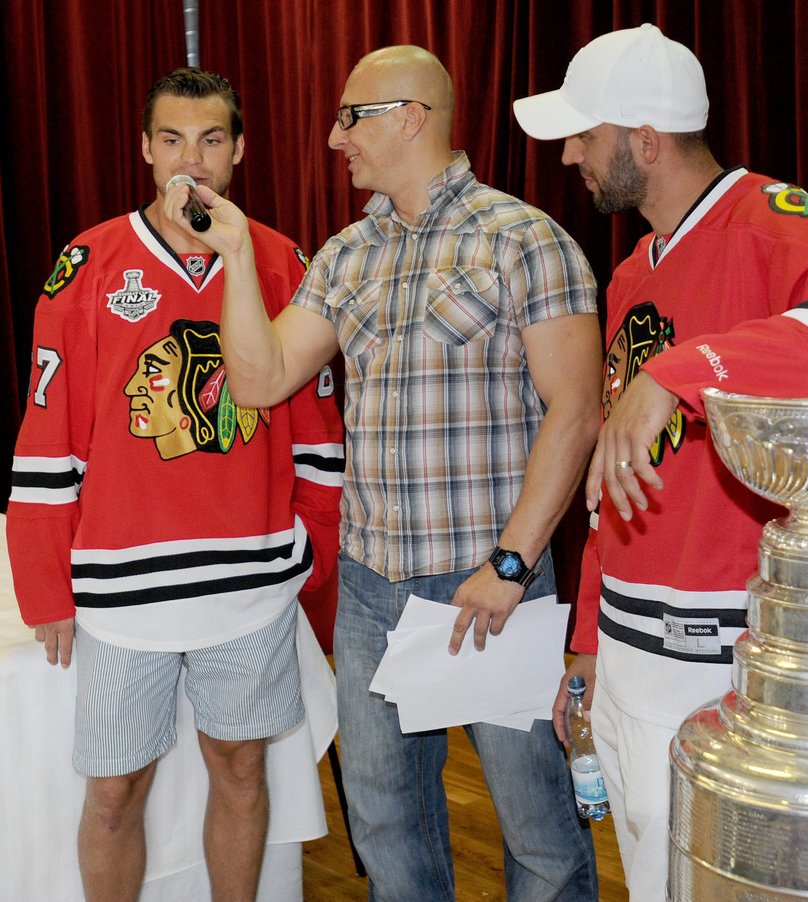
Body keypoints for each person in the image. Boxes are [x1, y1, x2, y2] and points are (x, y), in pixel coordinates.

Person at [164, 46, 602, 901]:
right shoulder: (345, 255)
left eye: (349, 118)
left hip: (490, 584)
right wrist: (240, 256)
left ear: (410, 116)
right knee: (384, 816)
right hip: (373, 591)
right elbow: (256, 381)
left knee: (538, 829)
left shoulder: (524, 240)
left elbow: (577, 410)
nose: (334, 139)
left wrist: (511, 563)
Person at [513, 23, 808, 899]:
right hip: (621, 646)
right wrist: (584, 646)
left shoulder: (767, 222)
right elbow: (617, 480)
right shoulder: (629, 273)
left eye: (585, 134)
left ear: (645, 141)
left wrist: (682, 369)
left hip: (713, 656)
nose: (570, 153)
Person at [5, 68, 344, 902]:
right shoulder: (88, 261)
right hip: (124, 588)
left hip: (250, 584)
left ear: (240, 149)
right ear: (145, 149)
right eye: (172, 140)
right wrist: (46, 585)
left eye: (212, 139)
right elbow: (50, 434)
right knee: (114, 792)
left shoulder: (283, 260)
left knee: (239, 769)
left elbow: (318, 443)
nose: (191, 160)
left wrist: (310, 562)